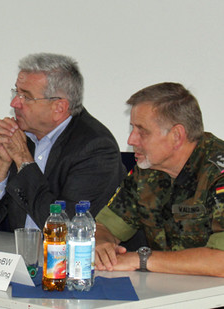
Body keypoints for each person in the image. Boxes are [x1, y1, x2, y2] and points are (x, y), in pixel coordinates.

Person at [0, 53, 125, 231]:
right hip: (17, 253)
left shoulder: (95, 148)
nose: (14, 103)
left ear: (59, 108)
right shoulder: (20, 136)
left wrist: (24, 160)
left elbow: (64, 228)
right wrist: (2, 164)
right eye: (16, 92)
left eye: (26, 96)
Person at [95, 82, 224, 277]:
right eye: (132, 129)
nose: (131, 140)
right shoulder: (146, 171)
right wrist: (102, 245)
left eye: (142, 131)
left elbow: (221, 261)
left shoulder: (217, 173)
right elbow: (104, 226)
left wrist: (142, 260)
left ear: (176, 136)